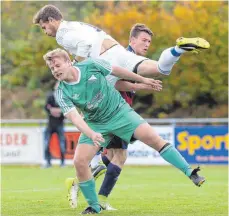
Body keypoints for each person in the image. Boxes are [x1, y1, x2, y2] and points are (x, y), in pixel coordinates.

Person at [43, 48, 205, 214]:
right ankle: (94, 206)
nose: (55, 70)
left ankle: (190, 172)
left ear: (69, 62)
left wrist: (142, 79)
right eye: (52, 68)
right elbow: (75, 118)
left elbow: (117, 71)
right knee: (79, 161)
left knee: (154, 140)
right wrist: (91, 134)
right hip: (95, 123)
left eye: (57, 65)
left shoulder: (90, 65)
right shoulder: (61, 92)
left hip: (120, 113)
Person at [97, 23, 154, 210]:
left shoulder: (136, 62)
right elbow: (114, 82)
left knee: (112, 155)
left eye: (149, 42)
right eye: (143, 40)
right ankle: (100, 201)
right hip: (115, 113)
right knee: (120, 156)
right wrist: (141, 84)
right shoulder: (124, 58)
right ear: (132, 40)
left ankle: (80, 179)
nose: (147, 44)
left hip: (118, 112)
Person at [43, 82, 66, 168]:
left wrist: (55, 110)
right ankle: (48, 163)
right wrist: (56, 111)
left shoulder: (64, 98)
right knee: (46, 144)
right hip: (50, 125)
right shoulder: (50, 97)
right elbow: (46, 107)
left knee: (62, 145)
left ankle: (63, 163)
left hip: (60, 125)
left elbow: (66, 111)